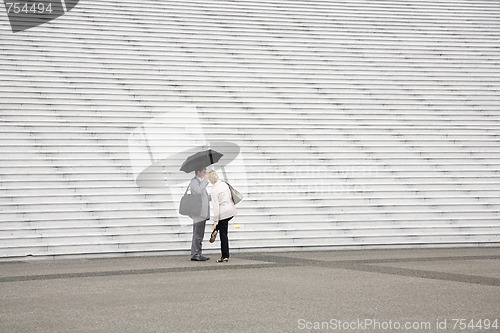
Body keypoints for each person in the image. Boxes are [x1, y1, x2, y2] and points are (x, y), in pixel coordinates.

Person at [207, 170, 237, 263]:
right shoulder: (224, 184)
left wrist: (215, 223)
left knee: (223, 235)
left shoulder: (214, 190)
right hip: (231, 211)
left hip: (223, 213)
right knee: (223, 228)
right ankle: (216, 230)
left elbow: (216, 208)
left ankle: (225, 256)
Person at [189, 167, 210, 261]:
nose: (205, 173)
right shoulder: (194, 182)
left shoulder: (200, 182)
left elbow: (204, 197)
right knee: (197, 233)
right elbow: (198, 191)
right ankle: (196, 254)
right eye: (203, 172)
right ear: (198, 172)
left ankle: (198, 253)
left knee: (199, 233)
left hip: (202, 212)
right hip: (198, 212)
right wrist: (205, 181)